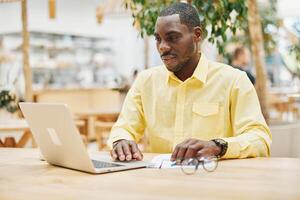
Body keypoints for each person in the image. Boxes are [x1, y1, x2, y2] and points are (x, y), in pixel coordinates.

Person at [108, 3, 271, 163]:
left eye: (172, 38)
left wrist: (217, 146)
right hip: (160, 181)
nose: (163, 47)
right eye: (158, 39)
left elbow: (260, 139)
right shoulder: (146, 81)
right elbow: (124, 128)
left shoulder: (234, 80)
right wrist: (121, 141)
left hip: (215, 182)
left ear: (197, 35)